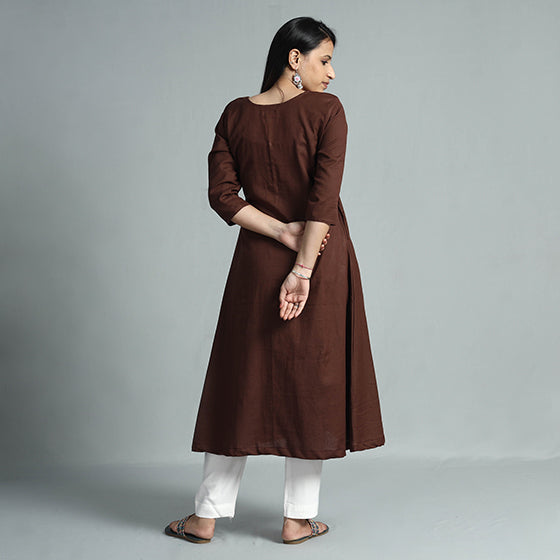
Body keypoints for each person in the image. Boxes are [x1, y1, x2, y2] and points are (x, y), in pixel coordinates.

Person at [164, 16, 385, 545]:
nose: (332, 73)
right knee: (313, 382)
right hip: (320, 260)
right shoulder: (328, 111)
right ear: (295, 58)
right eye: (325, 60)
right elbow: (322, 200)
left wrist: (278, 233)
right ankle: (297, 519)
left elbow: (222, 196)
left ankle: (205, 517)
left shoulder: (235, 114)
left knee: (239, 381)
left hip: (256, 262)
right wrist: (303, 266)